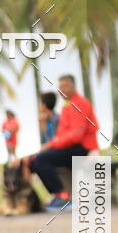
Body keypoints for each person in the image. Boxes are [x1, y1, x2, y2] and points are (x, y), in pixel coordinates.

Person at [29, 74, 99, 210]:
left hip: (82, 148)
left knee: (41, 159)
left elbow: (76, 136)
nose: (62, 89)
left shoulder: (80, 103)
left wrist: (51, 145)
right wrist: (52, 144)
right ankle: (56, 195)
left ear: (74, 86)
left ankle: (63, 196)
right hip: (69, 147)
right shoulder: (66, 107)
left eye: (65, 86)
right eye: (60, 87)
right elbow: (61, 135)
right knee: (34, 161)